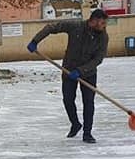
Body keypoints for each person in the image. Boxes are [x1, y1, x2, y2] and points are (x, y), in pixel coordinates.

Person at [27, 8, 109, 144]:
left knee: (88, 103)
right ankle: (75, 124)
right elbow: (51, 27)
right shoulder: (75, 26)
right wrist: (35, 41)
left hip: (88, 73)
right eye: (102, 23)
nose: (104, 26)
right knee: (68, 100)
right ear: (93, 21)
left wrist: (81, 71)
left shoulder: (103, 37)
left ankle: (87, 133)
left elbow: (98, 59)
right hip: (68, 69)